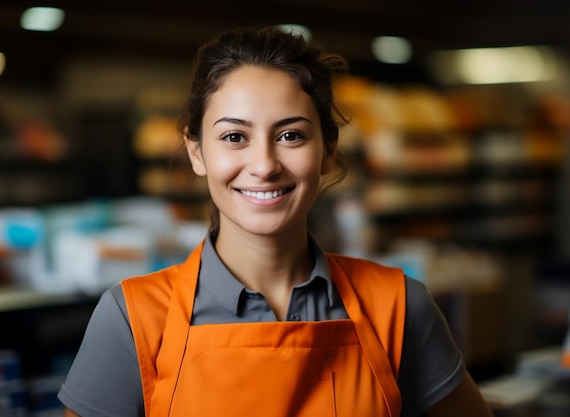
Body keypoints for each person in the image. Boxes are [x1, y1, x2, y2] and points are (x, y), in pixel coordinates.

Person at [58, 26, 494, 417]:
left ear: (327, 152)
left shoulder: (398, 307)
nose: (264, 165)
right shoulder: (132, 319)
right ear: (197, 152)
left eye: (291, 135)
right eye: (234, 137)